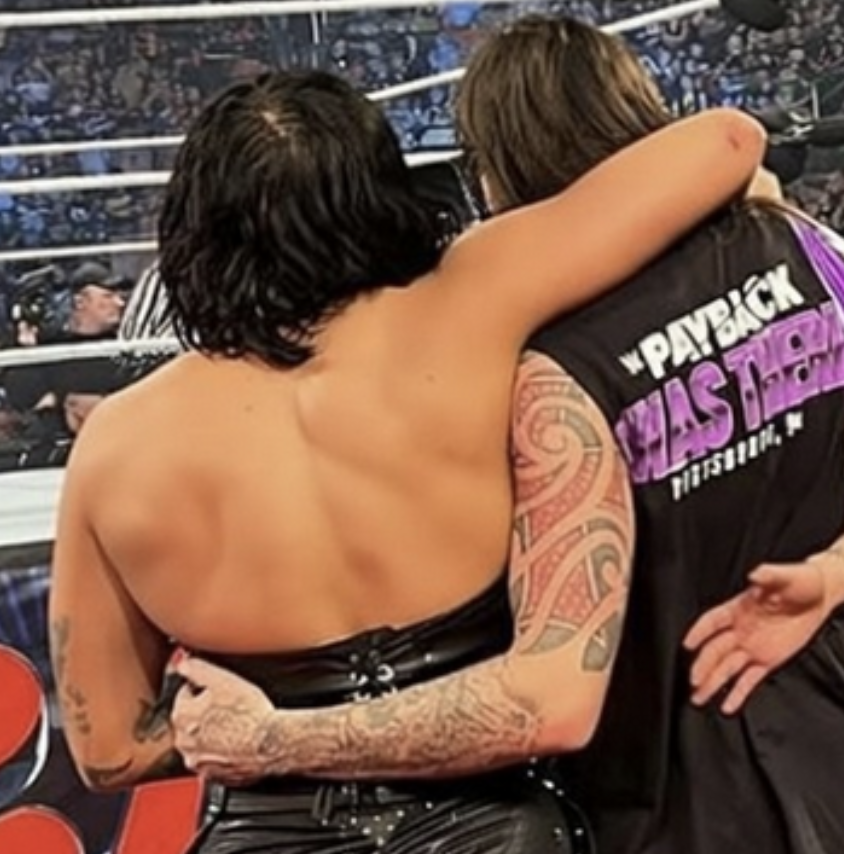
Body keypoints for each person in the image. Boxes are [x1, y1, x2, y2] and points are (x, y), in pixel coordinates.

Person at [169, 23, 844, 854]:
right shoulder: (804, 245)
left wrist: (277, 739)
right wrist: (832, 573)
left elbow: (547, 699)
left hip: (691, 802)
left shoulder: (549, 373)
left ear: (497, 170)